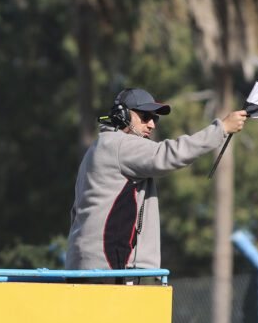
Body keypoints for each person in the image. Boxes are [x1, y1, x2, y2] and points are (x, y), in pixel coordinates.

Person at [66, 87, 247, 273]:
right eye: (145, 116)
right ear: (122, 115)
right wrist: (221, 129)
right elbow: (168, 154)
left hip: (90, 265)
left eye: (155, 118)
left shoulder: (100, 146)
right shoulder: (119, 144)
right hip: (113, 267)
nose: (152, 125)